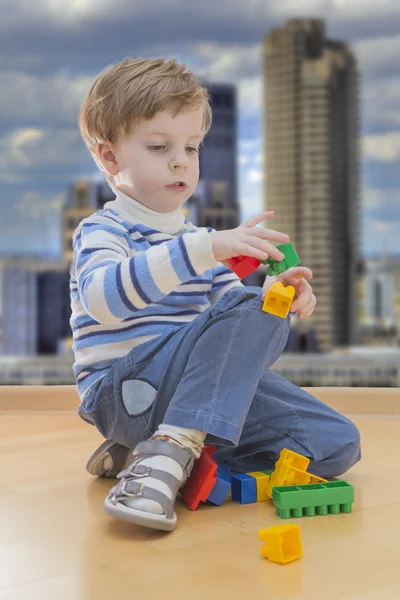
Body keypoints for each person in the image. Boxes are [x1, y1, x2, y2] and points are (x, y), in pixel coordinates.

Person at [71, 56, 361, 531]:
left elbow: (235, 337)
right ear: (109, 157)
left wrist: (277, 296)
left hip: (186, 397)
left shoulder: (200, 244)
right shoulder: (103, 231)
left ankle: (162, 453)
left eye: (192, 146)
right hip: (122, 393)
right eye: (160, 146)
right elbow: (104, 300)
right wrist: (205, 248)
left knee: (337, 442)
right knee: (245, 305)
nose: (181, 160)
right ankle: (168, 451)